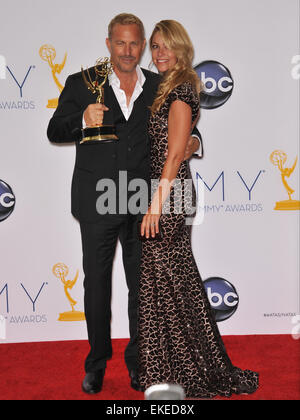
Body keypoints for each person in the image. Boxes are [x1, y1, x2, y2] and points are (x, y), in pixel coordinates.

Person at [47, 13, 201, 395]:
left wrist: (195, 145)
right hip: (97, 203)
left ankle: (139, 364)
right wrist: (82, 118)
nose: (128, 51)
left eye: (135, 43)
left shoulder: (159, 85)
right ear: (109, 43)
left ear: (141, 44)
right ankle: (96, 364)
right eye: (121, 43)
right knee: (96, 287)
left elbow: (185, 131)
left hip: (142, 204)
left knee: (141, 290)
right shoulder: (83, 84)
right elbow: (54, 129)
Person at [138, 20, 259, 398]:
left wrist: (156, 205)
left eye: (165, 46)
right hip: (168, 189)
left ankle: (188, 371)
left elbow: (174, 152)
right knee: (170, 282)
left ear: (182, 49)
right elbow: (183, 144)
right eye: (154, 46)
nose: (158, 53)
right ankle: (178, 369)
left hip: (169, 193)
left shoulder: (182, 87)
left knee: (167, 281)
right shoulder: (170, 86)